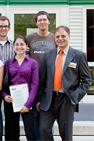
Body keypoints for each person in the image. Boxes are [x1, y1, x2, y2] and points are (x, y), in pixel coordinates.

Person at [36, 25, 92, 141]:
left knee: (66, 134)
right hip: (49, 99)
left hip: (66, 99)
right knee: (43, 130)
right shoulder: (48, 55)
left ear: (69, 36)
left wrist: (75, 96)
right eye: (57, 36)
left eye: (63, 36)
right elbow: (42, 78)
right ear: (54, 38)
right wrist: (39, 99)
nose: (60, 39)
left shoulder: (79, 56)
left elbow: (87, 80)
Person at [25, 11, 56, 140]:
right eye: (40, 20)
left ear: (49, 21)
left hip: (50, 81)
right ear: (36, 23)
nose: (42, 22)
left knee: (48, 113)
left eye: (44, 19)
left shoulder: (54, 38)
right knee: (35, 115)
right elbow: (25, 58)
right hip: (33, 80)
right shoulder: (29, 38)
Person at [2, 35, 39, 141]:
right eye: (17, 44)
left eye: (22, 44)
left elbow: (35, 85)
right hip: (11, 102)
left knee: (30, 134)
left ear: (26, 46)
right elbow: (3, 85)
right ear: (13, 46)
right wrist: (5, 96)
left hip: (28, 102)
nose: (19, 47)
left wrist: (28, 104)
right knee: (12, 134)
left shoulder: (33, 63)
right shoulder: (7, 63)